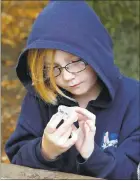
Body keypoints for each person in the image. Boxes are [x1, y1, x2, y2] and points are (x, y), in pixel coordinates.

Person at [5, 1, 140, 179]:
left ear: (96, 52)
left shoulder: (134, 98)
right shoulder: (40, 99)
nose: (67, 77)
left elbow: (131, 173)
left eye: (76, 61)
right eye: (53, 67)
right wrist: (45, 151)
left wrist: (92, 155)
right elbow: (16, 164)